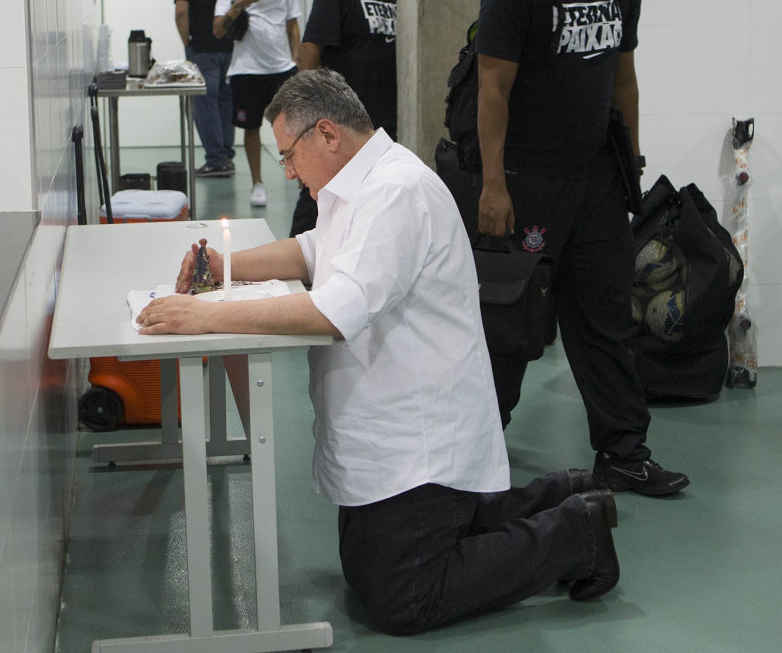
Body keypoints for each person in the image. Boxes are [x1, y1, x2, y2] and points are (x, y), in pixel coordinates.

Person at [135, 69, 622, 635]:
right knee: (367, 570)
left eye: (289, 155)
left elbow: (335, 311)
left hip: (418, 436)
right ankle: (563, 492)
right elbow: (316, 250)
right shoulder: (356, 184)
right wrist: (228, 267)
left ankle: (577, 534)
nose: (287, 170)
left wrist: (206, 316)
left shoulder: (396, 191)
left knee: (403, 600)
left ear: (327, 134)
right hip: (393, 428)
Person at [474, 0, 687, 496]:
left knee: (603, 320)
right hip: (529, 184)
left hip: (596, 183)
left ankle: (623, 452)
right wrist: (493, 184)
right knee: (513, 329)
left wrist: (633, 167)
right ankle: (474, 451)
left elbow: (625, 82)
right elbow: (492, 88)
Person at [289, 0, 398, 236]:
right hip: (341, 122)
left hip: (381, 122)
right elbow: (310, 49)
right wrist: (306, 117)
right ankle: (296, 265)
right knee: (321, 193)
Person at [213, 0, 302, 207]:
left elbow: (293, 26)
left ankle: (302, 179)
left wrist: (296, 61)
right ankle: (257, 183)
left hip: (281, 67)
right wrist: (240, 4)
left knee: (295, 126)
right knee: (250, 127)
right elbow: (217, 31)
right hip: (246, 69)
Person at [174, 0, 241, 177]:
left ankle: (216, 160)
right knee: (225, 101)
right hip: (231, 47)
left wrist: (187, 42)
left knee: (204, 103)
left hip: (202, 48)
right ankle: (226, 156)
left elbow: (181, 11)